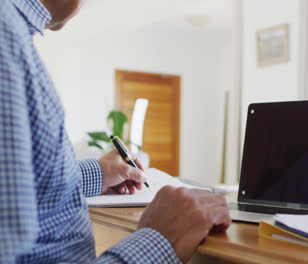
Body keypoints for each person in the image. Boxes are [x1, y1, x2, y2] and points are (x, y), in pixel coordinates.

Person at [0, 0, 231, 263]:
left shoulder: (13, 33)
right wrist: (160, 239)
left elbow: (32, 186)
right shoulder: (5, 38)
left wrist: (97, 172)